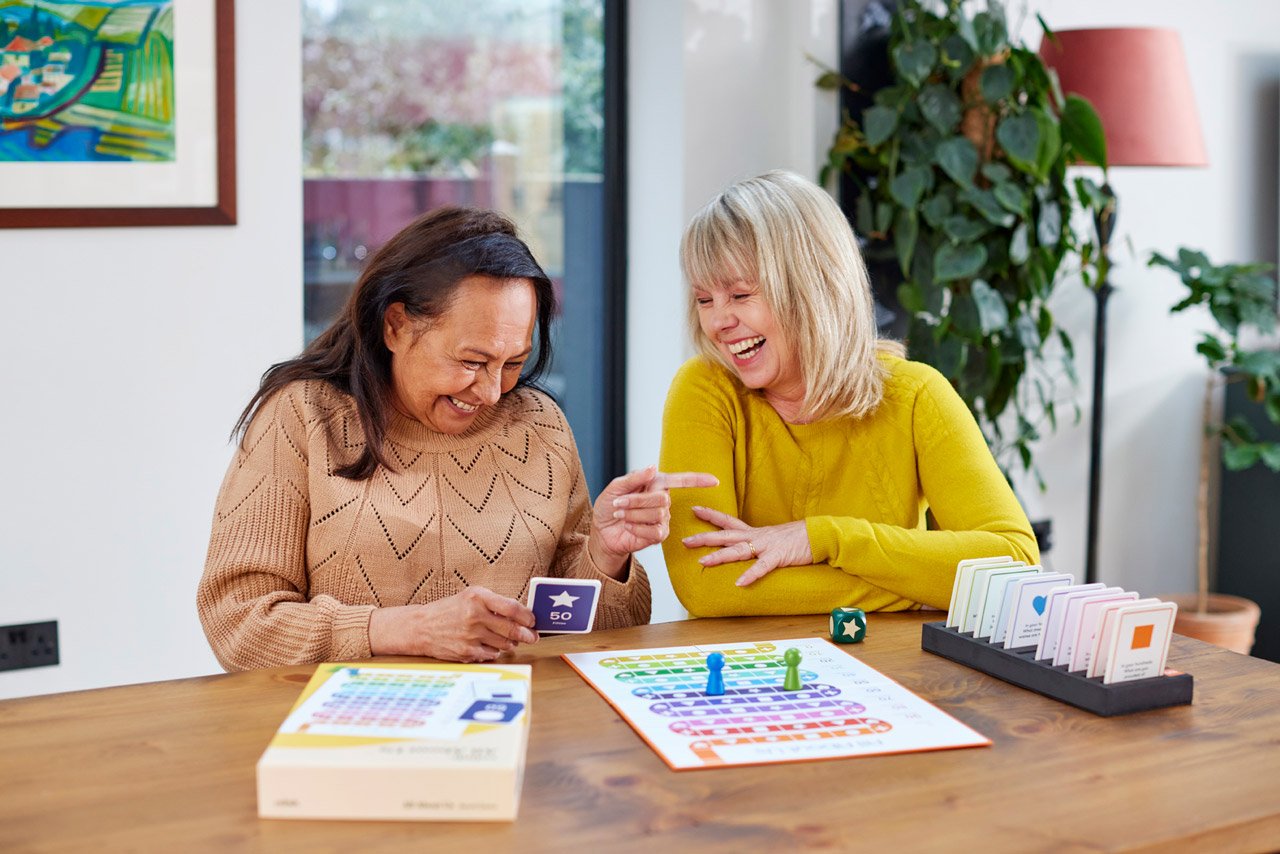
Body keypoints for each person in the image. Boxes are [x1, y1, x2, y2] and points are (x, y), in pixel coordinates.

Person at [198, 206, 713, 669]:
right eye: (472, 361)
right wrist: (410, 629)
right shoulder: (302, 417)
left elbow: (589, 635)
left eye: (513, 363)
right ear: (396, 327)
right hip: (349, 728)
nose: (491, 391)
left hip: (515, 724)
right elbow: (238, 621)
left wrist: (606, 552)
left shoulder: (540, 425)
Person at [659, 171, 1038, 618]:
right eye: (705, 300)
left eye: (741, 294)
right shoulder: (704, 389)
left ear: (812, 285)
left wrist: (824, 538)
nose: (719, 322)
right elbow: (708, 587)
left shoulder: (916, 396)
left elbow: (1014, 569)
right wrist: (918, 588)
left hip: (890, 674)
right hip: (749, 675)